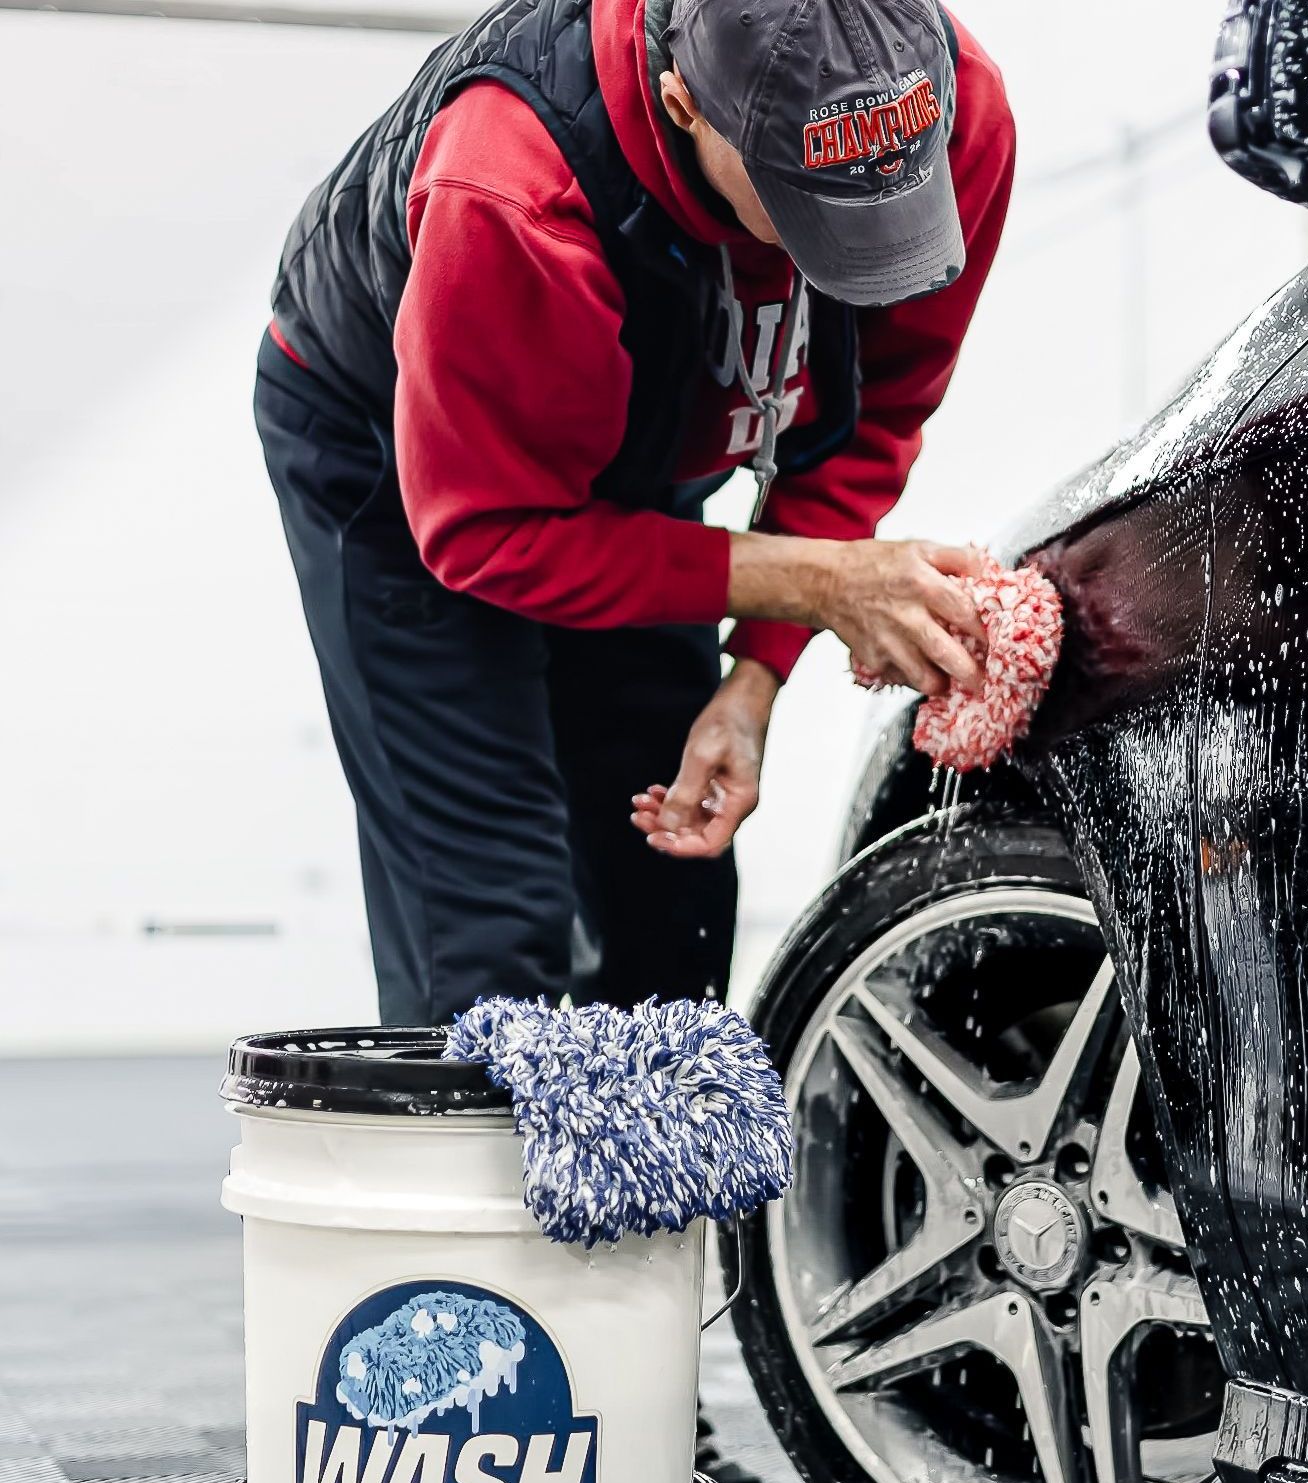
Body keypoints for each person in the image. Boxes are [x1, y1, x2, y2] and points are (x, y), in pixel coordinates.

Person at [254, 0, 1016, 1027]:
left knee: (668, 895)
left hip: (636, 443)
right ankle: (483, 1124)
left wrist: (754, 680)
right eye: (808, 207)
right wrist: (823, 582)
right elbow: (491, 530)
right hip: (407, 464)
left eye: (884, 208)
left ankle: (668, 1139)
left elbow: (873, 415)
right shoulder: (512, 187)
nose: (851, 246)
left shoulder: (951, 114)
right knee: (494, 933)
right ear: (683, 103)